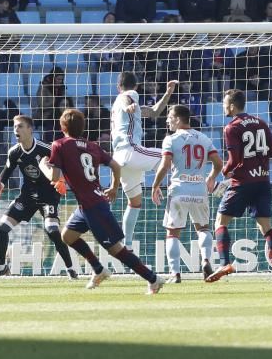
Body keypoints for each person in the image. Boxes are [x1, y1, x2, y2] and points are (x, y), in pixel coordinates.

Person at [41, 109, 164, 294]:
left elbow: (54, 177)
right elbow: (114, 165)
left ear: (62, 126)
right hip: (89, 204)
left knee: (116, 250)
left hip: (93, 206)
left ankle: (153, 278)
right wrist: (114, 187)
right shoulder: (92, 146)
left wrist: (43, 164)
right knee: (67, 236)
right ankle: (99, 270)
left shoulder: (59, 145)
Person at [205, 89, 272, 283]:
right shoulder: (260, 122)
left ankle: (225, 262)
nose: (223, 107)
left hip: (242, 182)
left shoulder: (231, 127)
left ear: (232, 106)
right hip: (263, 181)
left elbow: (235, 159)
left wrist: (225, 171)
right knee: (266, 227)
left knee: (220, 221)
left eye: (225, 103)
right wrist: (258, 161)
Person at [0, 115, 77, 280]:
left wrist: (63, 180)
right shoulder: (14, 152)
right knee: (1, 228)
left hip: (48, 196)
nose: (16, 130)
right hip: (27, 195)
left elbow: (64, 165)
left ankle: (71, 269)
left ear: (30, 129)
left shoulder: (46, 148)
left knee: (53, 231)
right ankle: (1, 267)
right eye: (14, 127)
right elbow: (5, 173)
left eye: (20, 126)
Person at [150, 104, 222, 283]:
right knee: (203, 228)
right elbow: (218, 163)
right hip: (199, 189)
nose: (167, 120)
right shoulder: (204, 138)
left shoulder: (171, 140)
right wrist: (211, 177)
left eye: (169, 117)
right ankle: (206, 260)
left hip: (179, 189)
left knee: (172, 233)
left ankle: (175, 273)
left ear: (177, 119)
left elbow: (165, 165)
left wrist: (155, 185)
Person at [111, 73, 175, 249]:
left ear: (118, 86)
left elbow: (154, 111)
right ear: (136, 87)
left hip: (119, 160)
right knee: (172, 156)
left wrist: (168, 93)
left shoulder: (118, 105)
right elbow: (127, 99)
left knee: (134, 203)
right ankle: (184, 190)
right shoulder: (128, 96)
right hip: (131, 150)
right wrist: (129, 105)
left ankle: (127, 246)